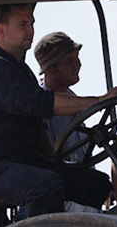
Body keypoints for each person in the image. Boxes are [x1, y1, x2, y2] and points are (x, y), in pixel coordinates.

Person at [0, 3, 117, 217]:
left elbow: (39, 128)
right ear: (1, 30)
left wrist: (57, 162)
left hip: (21, 161)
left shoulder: (20, 71)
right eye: (23, 25)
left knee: (95, 182)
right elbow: (44, 103)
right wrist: (100, 101)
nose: (30, 30)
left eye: (32, 24)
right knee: (45, 186)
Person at [36, 31, 90, 164]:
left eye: (77, 57)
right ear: (50, 68)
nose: (78, 65)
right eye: (69, 61)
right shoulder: (39, 106)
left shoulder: (75, 100)